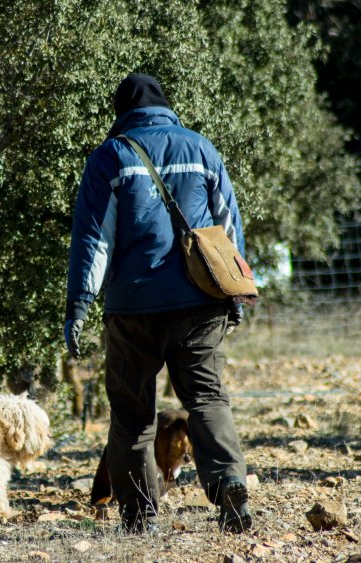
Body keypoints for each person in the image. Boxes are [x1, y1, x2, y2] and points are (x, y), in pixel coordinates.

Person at [64, 73, 252, 534]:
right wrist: (237, 293)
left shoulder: (111, 157)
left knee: (132, 414)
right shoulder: (202, 149)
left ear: (121, 111)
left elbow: (94, 241)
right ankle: (228, 478)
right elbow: (228, 226)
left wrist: (79, 305)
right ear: (165, 106)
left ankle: (140, 514)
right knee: (207, 397)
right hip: (200, 302)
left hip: (133, 309)